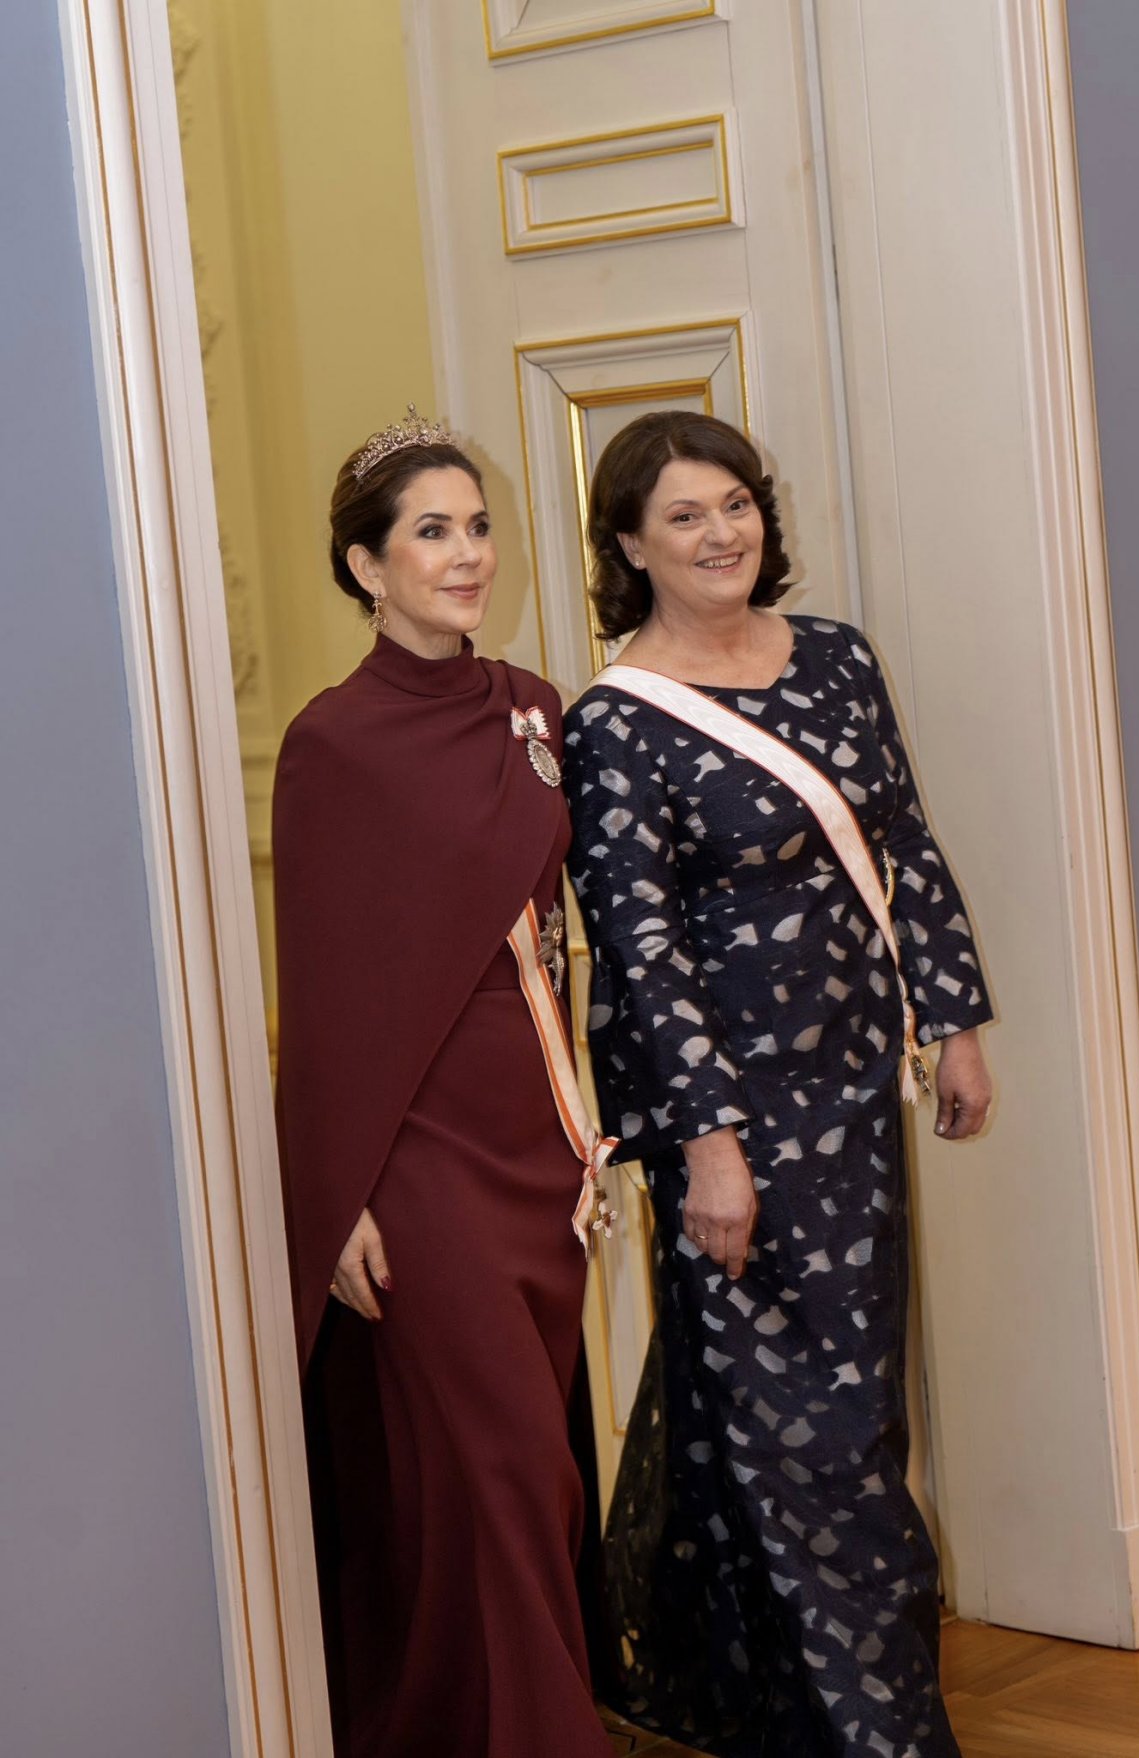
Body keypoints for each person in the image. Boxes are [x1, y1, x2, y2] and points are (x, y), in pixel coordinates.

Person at [563, 410, 992, 1757]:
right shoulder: (615, 724)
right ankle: (882, 1735)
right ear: (631, 544)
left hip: (858, 1095)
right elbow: (639, 948)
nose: (720, 532)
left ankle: (760, 1707)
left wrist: (955, 1017)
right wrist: (707, 1144)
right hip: (736, 1123)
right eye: (684, 515)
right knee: (798, 1437)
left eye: (736, 503)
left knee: (852, 1415)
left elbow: (904, 844)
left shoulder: (839, 661)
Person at [272, 411, 613, 1758]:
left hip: (536, 1133)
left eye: (476, 526)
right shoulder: (331, 740)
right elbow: (329, 986)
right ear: (365, 565)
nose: (467, 553)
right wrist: (336, 1193)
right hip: (415, 1152)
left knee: (525, 1480)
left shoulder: (534, 705)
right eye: (432, 531)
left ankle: (444, 1725)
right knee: (506, 1465)